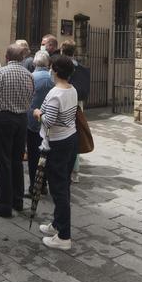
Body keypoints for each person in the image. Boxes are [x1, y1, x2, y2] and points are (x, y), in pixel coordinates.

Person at [34, 56, 79, 251]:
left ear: (55, 71)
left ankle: (64, 236)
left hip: (58, 143)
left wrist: (38, 113)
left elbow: (49, 121)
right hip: (70, 138)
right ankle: (57, 224)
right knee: (64, 184)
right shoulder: (72, 89)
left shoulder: (55, 93)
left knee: (59, 188)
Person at [0, 44, 34, 218]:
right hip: (22, 120)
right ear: (22, 58)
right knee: (16, 160)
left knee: (3, 162)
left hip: (3, 119)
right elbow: (31, 97)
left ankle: (5, 205)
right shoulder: (29, 75)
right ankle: (17, 200)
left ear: (7, 56)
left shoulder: (1, 73)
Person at [60, 40, 91, 183]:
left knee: (63, 134)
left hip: (65, 103)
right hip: (78, 104)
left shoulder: (61, 66)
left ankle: (65, 167)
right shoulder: (79, 67)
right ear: (74, 51)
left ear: (62, 50)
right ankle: (75, 171)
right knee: (75, 134)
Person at [26, 51, 53, 197]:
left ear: (34, 63)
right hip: (48, 121)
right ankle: (44, 184)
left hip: (32, 121)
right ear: (48, 63)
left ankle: (34, 186)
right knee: (46, 154)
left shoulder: (31, 77)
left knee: (33, 156)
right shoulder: (51, 78)